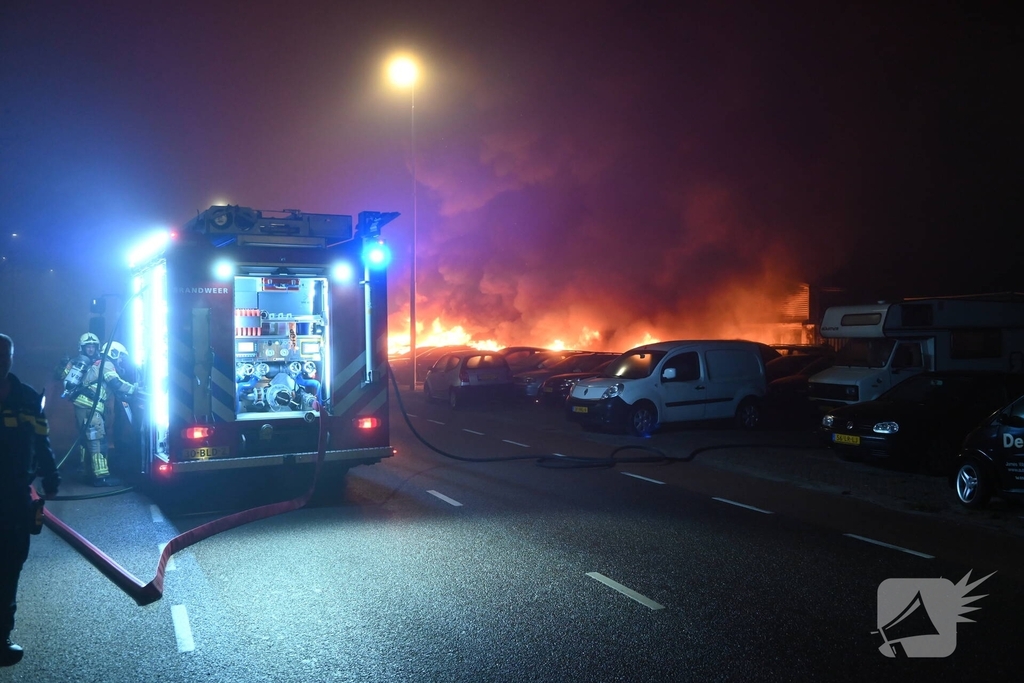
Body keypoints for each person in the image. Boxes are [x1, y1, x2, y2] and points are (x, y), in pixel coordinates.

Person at [0, 333, 60, 666]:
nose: (0, 361)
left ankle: (1, 638)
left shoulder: (25, 397)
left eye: (4, 355)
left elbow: (42, 441)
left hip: (13, 497)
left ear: (11, 357)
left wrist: (51, 477)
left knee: (10, 567)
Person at [60, 333, 137, 486]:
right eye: (120, 356)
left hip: (83, 405)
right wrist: (136, 389)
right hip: (90, 406)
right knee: (97, 440)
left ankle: (86, 471)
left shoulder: (97, 363)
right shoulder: (106, 364)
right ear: (114, 353)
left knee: (87, 439)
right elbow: (116, 383)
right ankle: (101, 477)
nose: (121, 360)